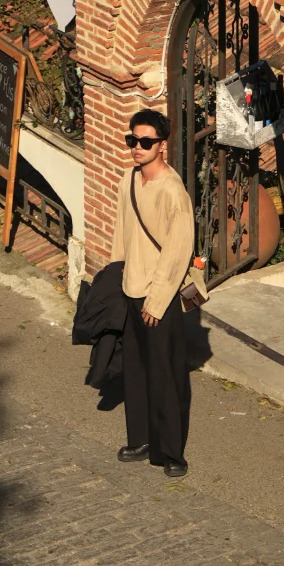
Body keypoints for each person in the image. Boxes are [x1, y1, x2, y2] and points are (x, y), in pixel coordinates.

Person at [110, 107, 195, 478]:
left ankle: (172, 453)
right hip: (130, 289)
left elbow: (178, 253)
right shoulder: (128, 180)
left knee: (165, 376)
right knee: (135, 371)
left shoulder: (173, 193)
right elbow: (121, 236)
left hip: (157, 298)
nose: (137, 148)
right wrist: (116, 280)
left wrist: (156, 302)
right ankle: (141, 439)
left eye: (145, 142)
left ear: (162, 145)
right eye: (133, 140)